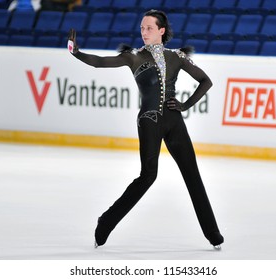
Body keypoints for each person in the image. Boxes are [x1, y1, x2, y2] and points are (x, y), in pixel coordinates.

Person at [68, 9, 224, 250]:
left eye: (149, 28)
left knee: (192, 174)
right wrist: (77, 53)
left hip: (174, 121)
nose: (144, 32)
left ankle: (213, 233)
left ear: (161, 31)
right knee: (148, 176)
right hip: (149, 121)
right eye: (142, 28)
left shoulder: (177, 57)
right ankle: (106, 222)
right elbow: (100, 63)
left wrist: (185, 105)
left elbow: (206, 81)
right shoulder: (134, 57)